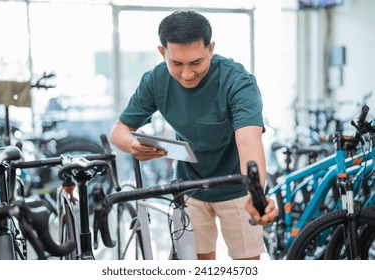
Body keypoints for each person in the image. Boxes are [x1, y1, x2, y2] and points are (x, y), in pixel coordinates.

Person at [110, 10, 278, 260]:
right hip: (189, 187)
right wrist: (133, 144)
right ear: (162, 52)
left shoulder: (237, 81)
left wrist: (257, 193)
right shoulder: (156, 81)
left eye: (196, 62)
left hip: (237, 188)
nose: (187, 74)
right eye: (176, 63)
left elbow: (249, 142)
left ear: (211, 49)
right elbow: (118, 132)